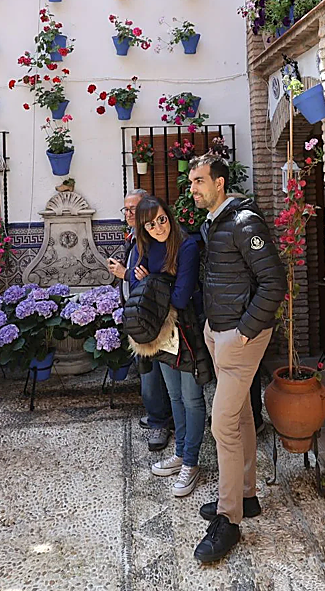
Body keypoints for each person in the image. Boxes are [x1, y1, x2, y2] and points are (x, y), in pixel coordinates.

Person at [186, 155, 284, 563]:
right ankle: (246, 496)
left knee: (221, 423)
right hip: (219, 331)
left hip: (240, 337)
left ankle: (229, 521)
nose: (193, 188)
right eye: (191, 182)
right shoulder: (216, 223)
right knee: (241, 415)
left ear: (221, 183)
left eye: (200, 181)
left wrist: (245, 331)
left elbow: (274, 282)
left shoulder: (244, 223)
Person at [125, 195, 211, 498]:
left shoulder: (185, 246)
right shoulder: (145, 247)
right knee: (174, 396)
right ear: (143, 228)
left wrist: (153, 281)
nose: (159, 226)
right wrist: (157, 283)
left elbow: (180, 297)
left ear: (169, 216)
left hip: (185, 332)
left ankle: (191, 462)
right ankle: (180, 454)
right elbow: (137, 290)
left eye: (162, 219)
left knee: (192, 398)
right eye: (151, 223)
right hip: (160, 333)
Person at [107, 187, 172, 452]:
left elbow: (153, 281)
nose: (129, 213)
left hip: (152, 319)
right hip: (138, 316)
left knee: (153, 373)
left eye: (135, 208)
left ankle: (160, 422)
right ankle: (159, 416)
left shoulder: (155, 240)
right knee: (146, 371)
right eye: (127, 209)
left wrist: (125, 275)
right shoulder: (136, 237)